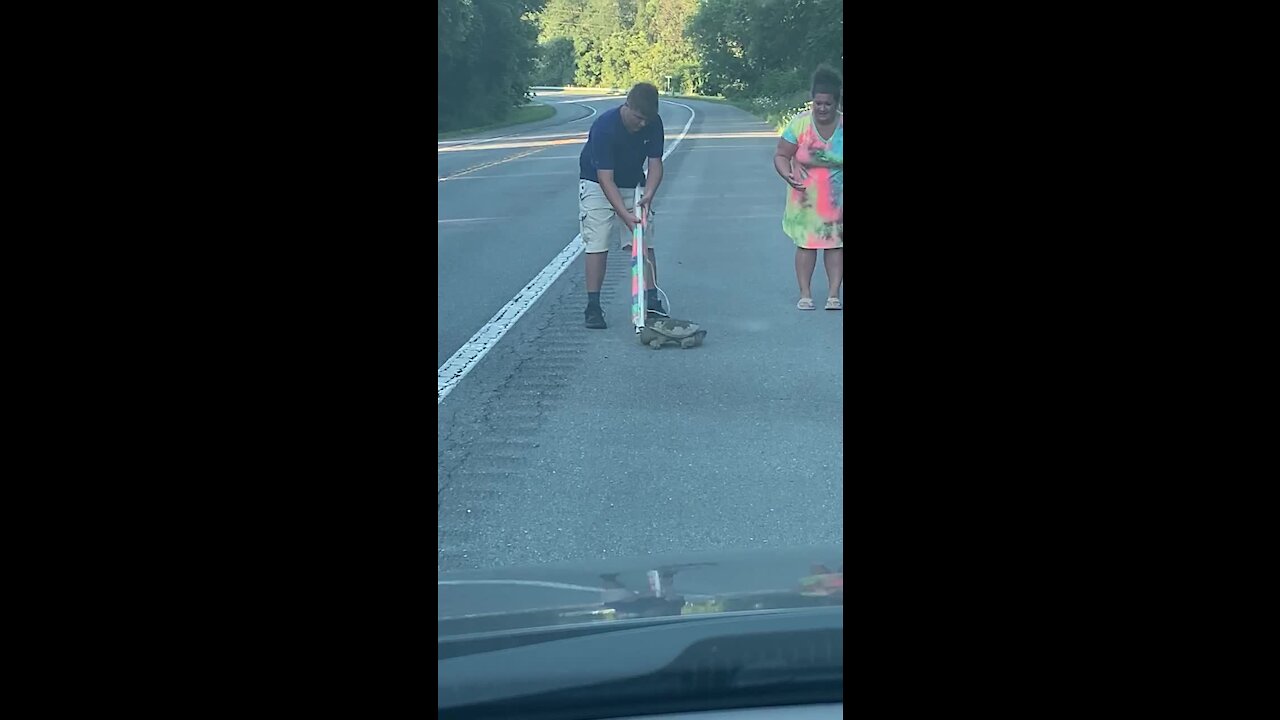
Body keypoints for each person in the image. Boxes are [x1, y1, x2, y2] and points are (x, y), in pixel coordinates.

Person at [578, 82, 666, 329]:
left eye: (647, 120)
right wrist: (624, 216)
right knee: (597, 240)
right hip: (597, 182)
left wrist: (649, 194)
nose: (642, 124)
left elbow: (656, 163)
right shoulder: (605, 127)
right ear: (627, 106)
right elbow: (606, 179)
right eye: (638, 118)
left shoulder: (653, 123)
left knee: (644, 239)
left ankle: (651, 300)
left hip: (632, 183)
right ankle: (593, 307)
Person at [773, 65, 844, 311]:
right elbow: (781, 155)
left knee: (836, 244)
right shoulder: (799, 125)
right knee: (806, 244)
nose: (822, 109)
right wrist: (788, 174)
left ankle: (834, 294)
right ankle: (805, 293)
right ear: (812, 101)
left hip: (837, 199)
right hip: (804, 198)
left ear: (836, 103)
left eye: (828, 104)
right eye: (818, 103)